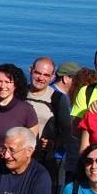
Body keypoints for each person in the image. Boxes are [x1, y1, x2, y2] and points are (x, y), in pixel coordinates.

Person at [25, 57, 72, 186]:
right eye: (38, 73)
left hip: (46, 160)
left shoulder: (57, 99)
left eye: (46, 75)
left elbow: (67, 130)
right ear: (30, 70)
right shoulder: (19, 93)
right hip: (19, 156)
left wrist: (54, 142)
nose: (41, 78)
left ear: (52, 77)